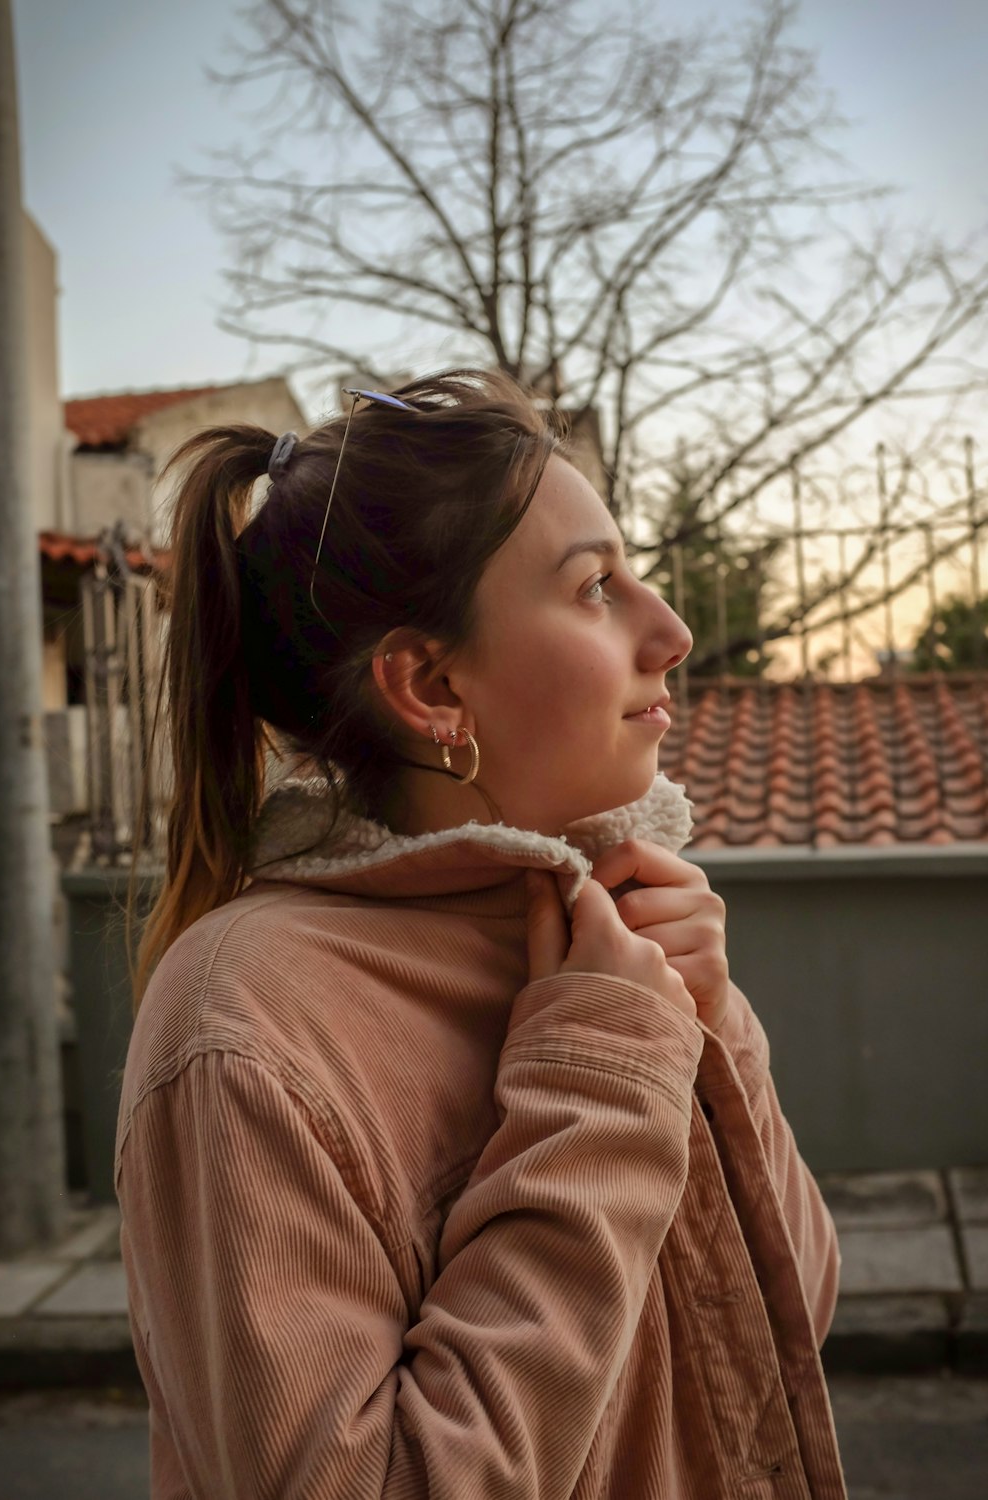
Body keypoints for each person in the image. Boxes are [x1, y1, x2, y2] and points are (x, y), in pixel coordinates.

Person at [117, 368, 847, 1498]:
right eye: (596, 586)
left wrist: (709, 1027)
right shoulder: (244, 1020)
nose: (672, 630)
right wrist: (599, 1087)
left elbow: (788, 1313)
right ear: (429, 683)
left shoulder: (599, 925)